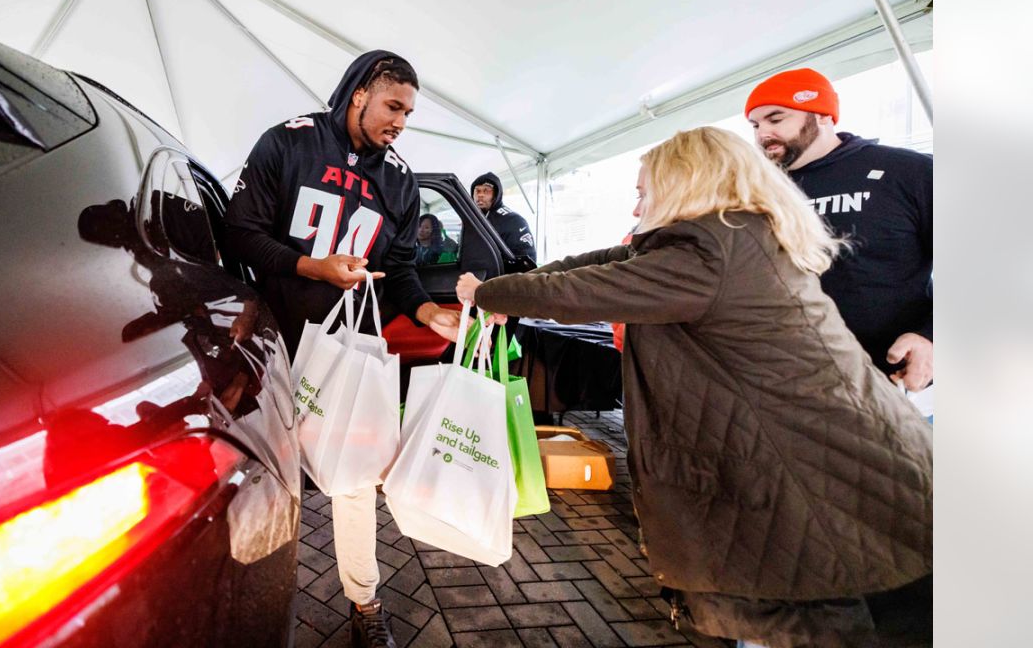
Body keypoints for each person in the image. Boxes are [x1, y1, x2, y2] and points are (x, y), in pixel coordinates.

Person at [456, 127, 932, 648]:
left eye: (644, 192)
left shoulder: (710, 254)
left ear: (686, 184)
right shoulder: (730, 238)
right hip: (846, 472)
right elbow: (600, 263)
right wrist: (503, 293)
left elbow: (581, 290)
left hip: (832, 493)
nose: (638, 208)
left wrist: (487, 294)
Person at [224, 50, 459, 648]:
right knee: (262, 480)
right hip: (271, 344)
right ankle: (247, 601)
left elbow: (400, 268)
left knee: (354, 479)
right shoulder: (288, 142)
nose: (401, 121)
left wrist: (429, 311)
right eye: (393, 106)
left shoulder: (400, 181)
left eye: (409, 111)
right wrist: (310, 266)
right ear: (359, 93)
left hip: (346, 349)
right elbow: (241, 232)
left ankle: (365, 601)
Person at [745, 68, 933, 397]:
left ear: (822, 115)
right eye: (756, 125)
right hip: (793, 383)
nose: (763, 134)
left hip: (897, 380)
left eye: (776, 119)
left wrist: (931, 337)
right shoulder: (760, 193)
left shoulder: (908, 172)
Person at [470, 172, 537, 262]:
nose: (480, 195)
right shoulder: (472, 218)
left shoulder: (514, 221)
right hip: (474, 272)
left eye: (486, 191)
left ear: (496, 195)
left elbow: (527, 263)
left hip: (501, 274)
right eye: (477, 191)